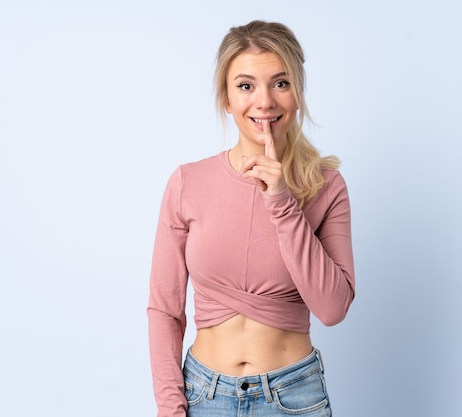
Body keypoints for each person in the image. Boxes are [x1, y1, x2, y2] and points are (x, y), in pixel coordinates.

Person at [147, 20, 355, 417]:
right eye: (246, 86)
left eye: (280, 83)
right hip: (202, 396)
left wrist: (281, 199)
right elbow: (164, 309)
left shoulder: (326, 186)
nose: (264, 102)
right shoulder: (188, 182)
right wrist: (171, 407)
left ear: (298, 93)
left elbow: (333, 309)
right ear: (227, 98)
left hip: (294, 398)